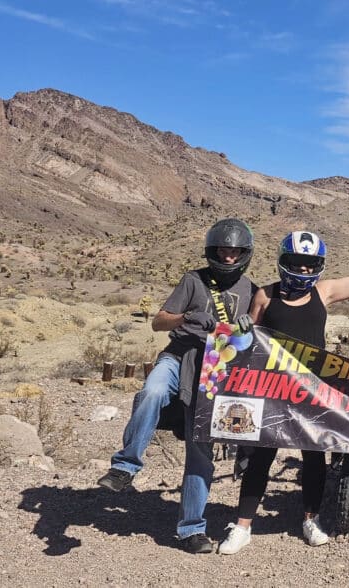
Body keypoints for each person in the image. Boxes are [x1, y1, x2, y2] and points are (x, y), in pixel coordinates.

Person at [218, 231, 349, 555]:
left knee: (314, 456)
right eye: (297, 263)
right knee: (261, 459)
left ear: (319, 267)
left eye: (310, 265)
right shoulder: (265, 295)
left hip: (313, 390)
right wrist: (239, 329)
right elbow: (245, 341)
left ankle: (310, 520)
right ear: (283, 262)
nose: (303, 271)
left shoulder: (323, 292)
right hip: (273, 390)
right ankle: (242, 526)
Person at [98, 218, 257, 554]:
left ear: (245, 253)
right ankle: (125, 466)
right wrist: (185, 318)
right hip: (179, 355)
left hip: (215, 370)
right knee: (152, 391)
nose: (228, 257)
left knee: (200, 453)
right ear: (213, 250)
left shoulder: (251, 291)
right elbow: (158, 321)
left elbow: (259, 339)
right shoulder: (193, 280)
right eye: (223, 250)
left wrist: (249, 327)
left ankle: (191, 530)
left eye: (235, 251)